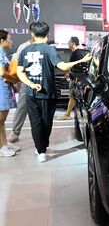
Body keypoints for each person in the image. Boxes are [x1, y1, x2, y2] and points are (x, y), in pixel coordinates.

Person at [17, 22, 92, 162]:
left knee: (35, 122)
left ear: (32, 34)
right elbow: (62, 66)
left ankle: (40, 149)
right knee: (46, 122)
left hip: (30, 93)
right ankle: (42, 149)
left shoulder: (25, 50)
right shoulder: (48, 50)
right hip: (47, 94)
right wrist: (82, 60)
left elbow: (19, 72)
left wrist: (31, 84)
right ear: (48, 34)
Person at [7, 24, 34, 144]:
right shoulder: (23, 46)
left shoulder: (45, 46)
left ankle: (42, 139)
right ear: (32, 33)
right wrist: (16, 81)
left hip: (42, 83)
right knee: (21, 108)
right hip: (26, 82)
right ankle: (15, 132)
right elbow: (16, 64)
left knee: (41, 111)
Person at [0, 30, 19, 157]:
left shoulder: (3, 53)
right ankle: (3, 146)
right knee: (0, 120)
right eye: (9, 39)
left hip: (4, 88)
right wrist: (15, 79)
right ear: (2, 40)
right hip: (2, 88)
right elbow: (2, 73)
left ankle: (4, 143)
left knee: (2, 120)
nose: (11, 42)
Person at [57, 37, 83, 120]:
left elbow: (81, 66)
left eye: (69, 42)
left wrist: (74, 75)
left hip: (76, 79)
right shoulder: (74, 53)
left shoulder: (77, 53)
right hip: (73, 78)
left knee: (73, 96)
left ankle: (67, 114)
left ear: (73, 43)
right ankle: (69, 114)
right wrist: (69, 73)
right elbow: (74, 66)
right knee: (73, 97)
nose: (68, 43)